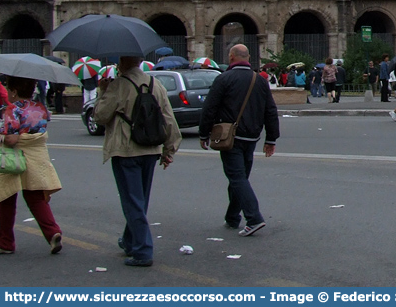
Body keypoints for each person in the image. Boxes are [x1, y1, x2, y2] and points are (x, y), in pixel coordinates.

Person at [93, 55, 181, 266]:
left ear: (121, 63)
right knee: (140, 198)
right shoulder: (155, 84)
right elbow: (168, 118)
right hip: (150, 148)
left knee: (132, 200)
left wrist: (102, 91)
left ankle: (143, 250)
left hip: (126, 149)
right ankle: (130, 240)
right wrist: (169, 149)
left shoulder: (118, 86)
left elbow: (100, 116)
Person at [198, 44, 279, 237]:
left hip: (230, 137)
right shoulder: (260, 81)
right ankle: (232, 217)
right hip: (252, 136)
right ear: (248, 58)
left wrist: (204, 134)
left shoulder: (223, 79)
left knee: (236, 177)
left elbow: (210, 108)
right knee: (240, 177)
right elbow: (270, 110)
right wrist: (271, 139)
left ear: (232, 57)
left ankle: (254, 218)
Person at [0, 76, 63, 255]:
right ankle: (53, 232)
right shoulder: (40, 107)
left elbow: (12, 139)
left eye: (8, 88)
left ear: (14, 91)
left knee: (6, 197)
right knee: (36, 198)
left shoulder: (12, 109)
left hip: (15, 157)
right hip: (36, 156)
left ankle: (5, 242)